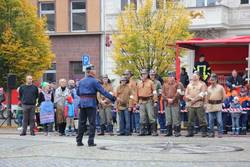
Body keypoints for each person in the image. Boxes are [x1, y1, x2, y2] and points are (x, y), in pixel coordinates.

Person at [76, 64, 116, 147]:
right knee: (92, 123)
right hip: (91, 103)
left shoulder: (81, 81)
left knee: (81, 122)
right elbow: (103, 91)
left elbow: (78, 93)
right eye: (94, 70)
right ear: (90, 71)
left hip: (82, 103)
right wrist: (112, 98)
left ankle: (79, 141)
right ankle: (90, 142)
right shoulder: (95, 81)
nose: (95, 71)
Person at [185, 71, 208, 137]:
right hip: (191, 104)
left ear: (199, 77)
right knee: (190, 119)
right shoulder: (189, 84)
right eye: (193, 75)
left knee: (202, 119)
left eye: (196, 75)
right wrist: (190, 99)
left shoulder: (202, 84)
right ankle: (190, 132)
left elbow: (203, 94)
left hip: (199, 104)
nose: (194, 77)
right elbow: (186, 94)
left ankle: (204, 132)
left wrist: (194, 100)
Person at [162, 72, 185, 137]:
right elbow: (162, 94)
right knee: (168, 118)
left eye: (172, 76)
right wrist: (167, 99)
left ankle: (177, 131)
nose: (171, 78)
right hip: (167, 103)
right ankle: (169, 132)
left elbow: (179, 93)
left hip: (175, 103)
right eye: (169, 76)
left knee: (176, 118)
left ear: (174, 77)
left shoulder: (178, 84)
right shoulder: (164, 84)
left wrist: (173, 99)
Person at [137, 69, 158, 136]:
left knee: (151, 116)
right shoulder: (139, 83)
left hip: (149, 100)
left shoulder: (150, 82)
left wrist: (155, 101)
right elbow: (136, 93)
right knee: (142, 117)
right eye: (142, 74)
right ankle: (142, 131)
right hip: (141, 101)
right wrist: (136, 102)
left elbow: (154, 92)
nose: (144, 75)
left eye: (145, 74)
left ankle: (154, 131)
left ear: (147, 74)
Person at [206, 73, 226, 138]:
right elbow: (207, 97)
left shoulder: (220, 87)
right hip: (210, 105)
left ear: (216, 80)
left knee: (219, 121)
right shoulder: (208, 88)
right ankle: (211, 133)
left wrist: (220, 102)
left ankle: (220, 133)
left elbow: (224, 96)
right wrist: (206, 104)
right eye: (211, 80)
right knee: (210, 121)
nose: (211, 81)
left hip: (218, 105)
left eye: (213, 80)